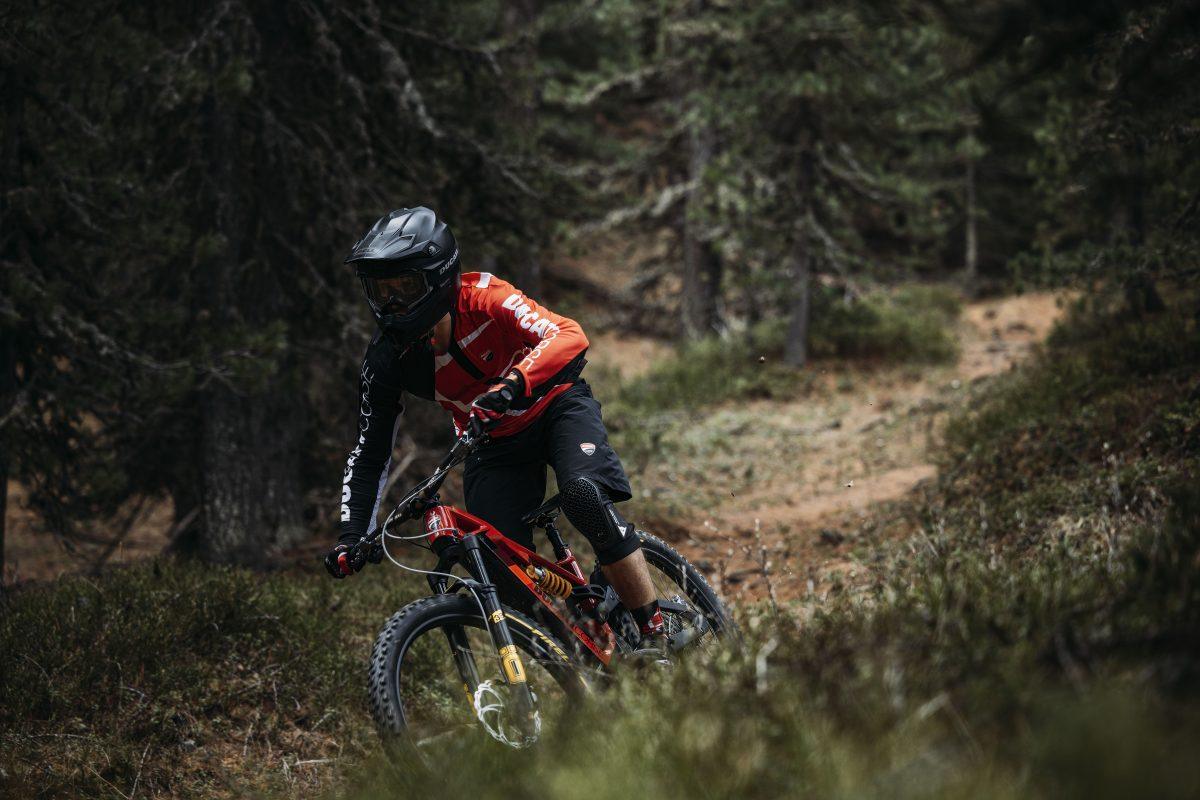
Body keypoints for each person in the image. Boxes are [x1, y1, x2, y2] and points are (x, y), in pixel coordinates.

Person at [325, 207, 666, 649]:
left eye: (403, 288)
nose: (390, 304)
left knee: (584, 496)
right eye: (380, 291)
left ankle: (657, 633)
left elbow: (568, 335)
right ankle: (578, 660)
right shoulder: (386, 361)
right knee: (501, 574)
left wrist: (514, 383)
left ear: (438, 279)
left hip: (556, 406)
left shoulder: (486, 298)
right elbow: (369, 453)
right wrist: (353, 536)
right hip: (492, 444)